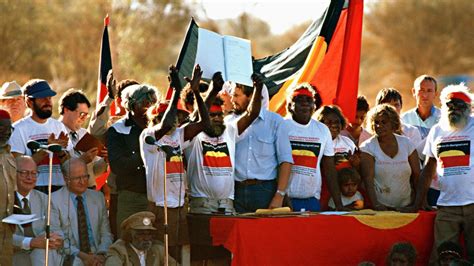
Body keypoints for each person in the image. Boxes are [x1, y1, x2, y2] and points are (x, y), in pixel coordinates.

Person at [140, 65, 205, 261]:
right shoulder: (149, 136)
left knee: (181, 249)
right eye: (171, 116)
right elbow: (166, 125)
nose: (176, 121)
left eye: (177, 117)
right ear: (156, 119)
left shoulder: (179, 135)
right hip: (160, 205)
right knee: (160, 251)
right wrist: (176, 91)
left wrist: (196, 93)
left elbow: (204, 123)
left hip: (179, 204)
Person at [406, 84, 474, 263]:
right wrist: (418, 202)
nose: (453, 109)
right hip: (446, 206)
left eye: (458, 106)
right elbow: (429, 168)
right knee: (441, 257)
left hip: (473, 204)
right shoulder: (437, 131)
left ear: (468, 109)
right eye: (449, 105)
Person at [186, 72, 263, 214]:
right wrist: (213, 90)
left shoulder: (230, 130)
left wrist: (258, 88)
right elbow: (197, 117)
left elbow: (251, 114)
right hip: (202, 204)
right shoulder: (194, 135)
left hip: (227, 205)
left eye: (219, 114)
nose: (216, 118)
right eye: (211, 115)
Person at [87, 71, 139, 240]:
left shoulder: (149, 122)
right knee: (121, 237)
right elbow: (94, 132)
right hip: (119, 191)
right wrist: (108, 98)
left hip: (145, 191)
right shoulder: (115, 126)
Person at [229, 79, 293, 212]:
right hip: (235, 190)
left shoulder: (276, 122)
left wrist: (279, 195)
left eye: (236, 95)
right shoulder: (229, 122)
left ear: (251, 96)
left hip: (265, 191)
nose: (232, 100)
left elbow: (286, 161)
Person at [284, 83, 344, 212]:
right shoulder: (281, 126)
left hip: (312, 200)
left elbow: (329, 169)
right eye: (299, 100)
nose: (305, 103)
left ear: (314, 106)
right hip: (286, 199)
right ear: (290, 106)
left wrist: (339, 204)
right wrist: (282, 196)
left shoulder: (322, 130)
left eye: (309, 100)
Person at [107, 82, 158, 232]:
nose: (150, 108)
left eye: (153, 103)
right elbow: (118, 165)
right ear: (133, 105)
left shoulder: (157, 127)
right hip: (131, 196)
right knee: (127, 238)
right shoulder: (118, 129)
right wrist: (144, 154)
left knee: (156, 241)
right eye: (146, 103)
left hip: (157, 197)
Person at [9, 79, 72, 193]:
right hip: (33, 191)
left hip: (61, 191)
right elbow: (18, 168)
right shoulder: (17, 129)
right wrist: (47, 149)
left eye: (49, 98)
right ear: (29, 102)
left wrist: (61, 153)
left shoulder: (59, 127)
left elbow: (69, 164)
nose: (48, 102)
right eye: (42, 98)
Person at [51, 158, 113, 266]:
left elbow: (106, 233)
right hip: (72, 254)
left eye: (85, 176)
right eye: (77, 178)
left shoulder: (98, 197)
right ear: (66, 179)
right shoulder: (53, 200)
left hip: (98, 253)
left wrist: (101, 254)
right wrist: (84, 257)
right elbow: (59, 240)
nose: (83, 181)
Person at [360, 104, 420, 210]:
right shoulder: (367, 147)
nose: (379, 126)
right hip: (381, 208)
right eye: (376, 122)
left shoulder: (407, 143)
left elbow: (417, 175)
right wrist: (376, 205)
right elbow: (367, 179)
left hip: (407, 206)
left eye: (384, 122)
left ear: (393, 123)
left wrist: (417, 203)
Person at [12, 156, 62, 266]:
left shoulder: (44, 199)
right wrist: (31, 242)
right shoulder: (3, 199)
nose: (30, 177)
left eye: (34, 173)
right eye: (24, 172)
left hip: (41, 254)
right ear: (13, 173)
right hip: (14, 256)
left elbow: (55, 228)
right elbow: (3, 236)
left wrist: (51, 238)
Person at [401, 75, 441, 206]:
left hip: (438, 180)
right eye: (421, 90)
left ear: (436, 93)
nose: (425, 95)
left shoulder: (444, 119)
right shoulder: (404, 119)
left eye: (429, 91)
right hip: (412, 178)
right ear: (413, 92)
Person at [59, 88, 108, 188]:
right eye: (81, 114)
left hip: (88, 191)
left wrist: (106, 161)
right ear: (66, 110)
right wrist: (81, 161)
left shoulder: (83, 133)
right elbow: (56, 171)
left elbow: (93, 172)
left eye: (86, 115)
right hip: (65, 192)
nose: (84, 119)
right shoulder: (53, 133)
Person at [105, 211, 176, 266]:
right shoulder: (118, 250)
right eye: (141, 234)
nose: (146, 238)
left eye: (149, 234)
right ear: (130, 235)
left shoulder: (158, 249)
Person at [315, 105, 359, 170]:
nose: (333, 125)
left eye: (337, 122)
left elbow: (357, 169)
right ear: (320, 124)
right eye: (329, 122)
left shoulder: (348, 142)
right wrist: (328, 162)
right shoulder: (314, 142)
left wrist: (356, 163)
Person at [0, 109, 16, 265]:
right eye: (1, 129)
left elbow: (13, 190)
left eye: (9, 129)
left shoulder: (9, 156)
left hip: (7, 233)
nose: (6, 133)